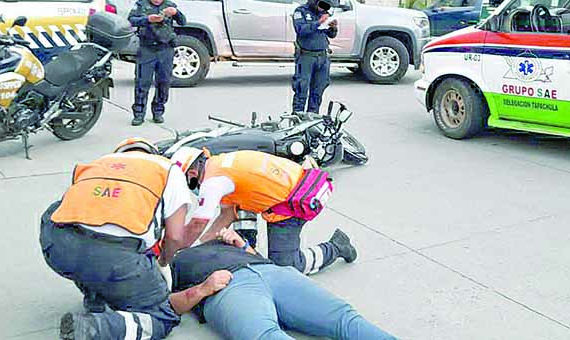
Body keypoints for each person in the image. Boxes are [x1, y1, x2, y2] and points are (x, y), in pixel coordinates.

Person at [39, 138, 218, 340]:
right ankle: (97, 328)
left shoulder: (99, 163)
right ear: (152, 154)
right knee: (162, 314)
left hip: (58, 248)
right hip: (115, 259)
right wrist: (163, 262)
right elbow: (175, 236)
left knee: (80, 236)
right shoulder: (167, 170)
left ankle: (95, 298)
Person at [171, 227, 397, 340]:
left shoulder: (220, 240)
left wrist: (242, 245)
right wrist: (203, 289)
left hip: (272, 273)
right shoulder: (169, 262)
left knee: (342, 317)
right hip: (227, 289)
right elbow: (169, 305)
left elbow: (260, 258)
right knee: (264, 335)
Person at [170, 147, 357, 276]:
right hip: (289, 185)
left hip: (290, 204)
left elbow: (197, 224)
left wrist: (180, 250)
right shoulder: (220, 163)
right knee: (238, 203)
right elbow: (227, 214)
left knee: (287, 266)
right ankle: (247, 247)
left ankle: (337, 246)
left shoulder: (212, 183)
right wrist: (203, 245)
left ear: (191, 174)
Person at [127, 0, 186, 126]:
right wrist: (147, 19)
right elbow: (131, 20)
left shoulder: (169, 5)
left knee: (164, 82)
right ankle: (139, 114)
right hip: (147, 49)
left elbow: (183, 22)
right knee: (142, 82)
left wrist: (176, 13)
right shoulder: (141, 5)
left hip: (165, 49)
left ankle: (158, 111)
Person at [292, 0, 339, 114]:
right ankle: (297, 120)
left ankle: (312, 119)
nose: (324, 8)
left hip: (322, 57)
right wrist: (319, 22)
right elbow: (301, 30)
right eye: (322, 4)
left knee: (317, 92)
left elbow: (331, 35)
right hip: (306, 56)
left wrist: (333, 27)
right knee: (301, 89)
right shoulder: (300, 12)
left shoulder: (324, 13)